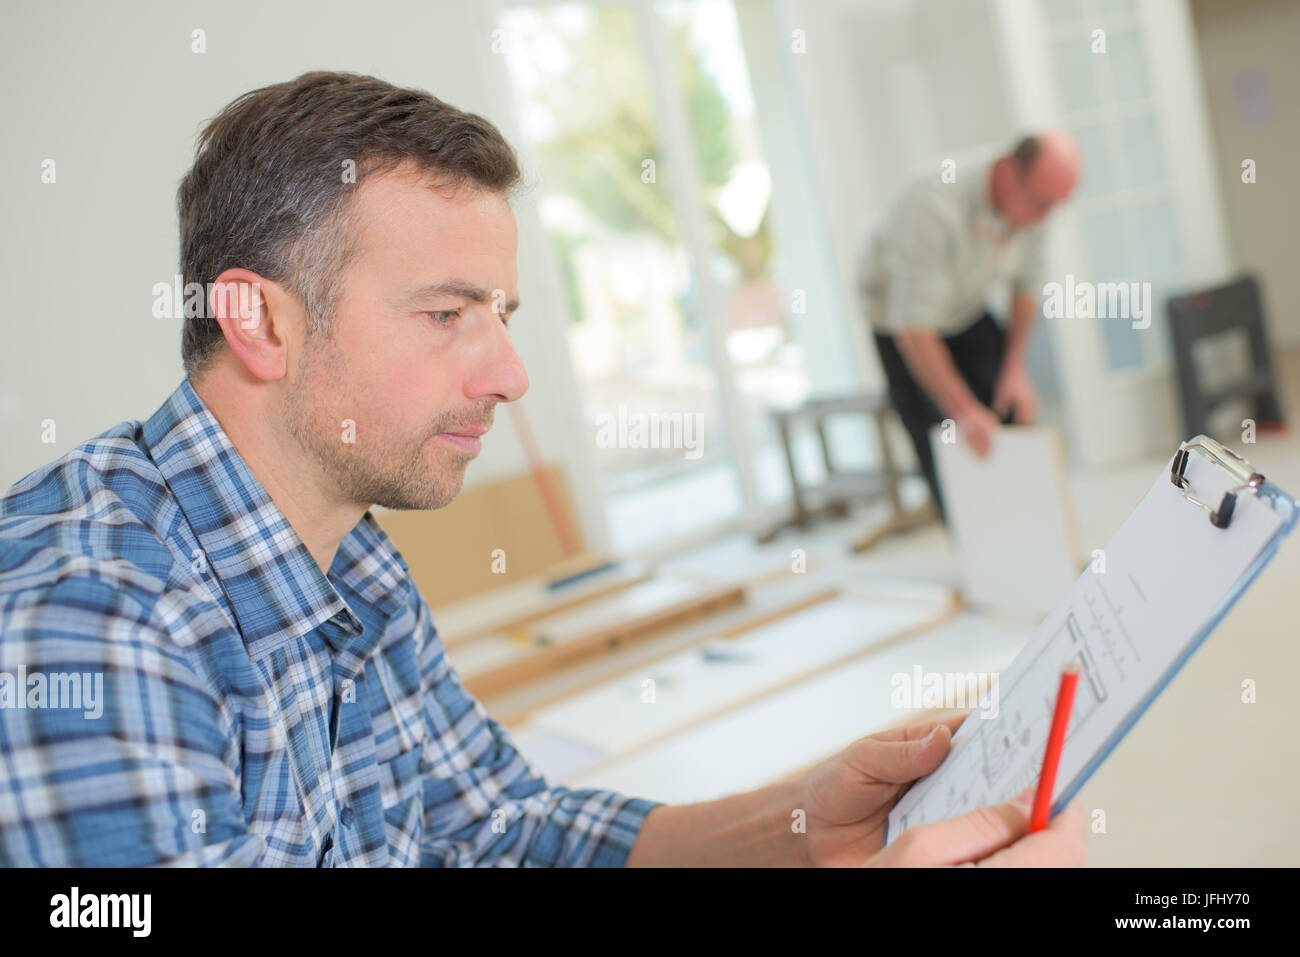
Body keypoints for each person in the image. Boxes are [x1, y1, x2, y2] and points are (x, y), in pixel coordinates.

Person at [0, 72, 1084, 867]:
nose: (511, 375)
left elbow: (502, 832)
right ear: (261, 323)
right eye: (444, 316)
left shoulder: (354, 567)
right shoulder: (90, 626)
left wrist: (806, 820)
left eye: (501, 316)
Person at [859, 133, 1080, 519]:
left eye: (1054, 208)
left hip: (967, 306)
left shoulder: (1037, 204)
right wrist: (961, 408)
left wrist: (1015, 370)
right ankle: (977, 554)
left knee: (1011, 412)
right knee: (947, 441)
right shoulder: (929, 200)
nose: (1045, 218)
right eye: (1042, 204)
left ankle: (1035, 535)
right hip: (901, 323)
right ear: (1011, 174)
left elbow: (1026, 288)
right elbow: (913, 324)